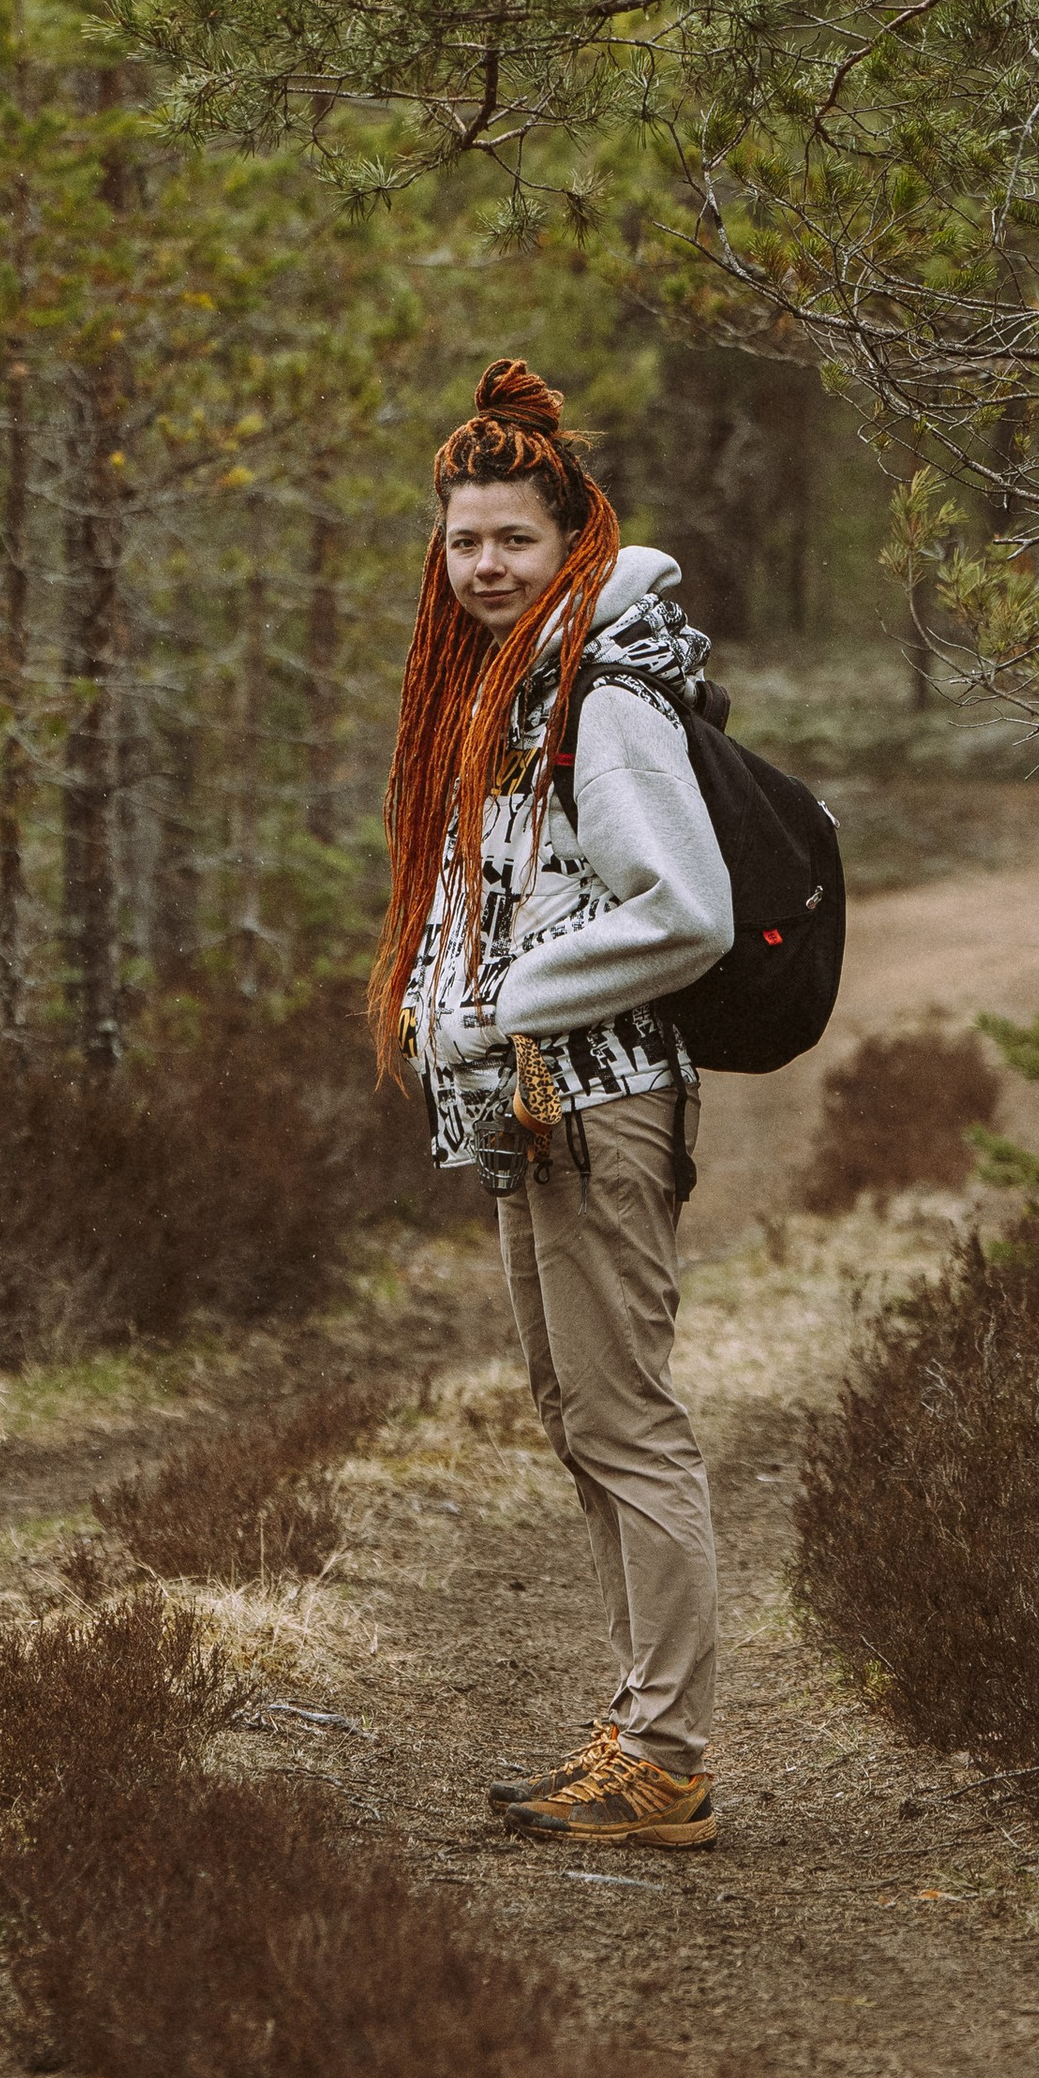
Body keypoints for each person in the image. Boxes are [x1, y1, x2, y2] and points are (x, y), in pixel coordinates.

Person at [373, 357, 733, 1851]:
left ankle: (669, 1756)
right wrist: (437, 1001)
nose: (484, 566)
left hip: (599, 1101)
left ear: (569, 533)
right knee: (581, 1415)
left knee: (627, 1421)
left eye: (512, 537)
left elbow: (688, 906)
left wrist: (512, 1001)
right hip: (531, 1113)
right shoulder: (505, 689)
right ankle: (643, 1729)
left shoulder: (603, 687)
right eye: (463, 541)